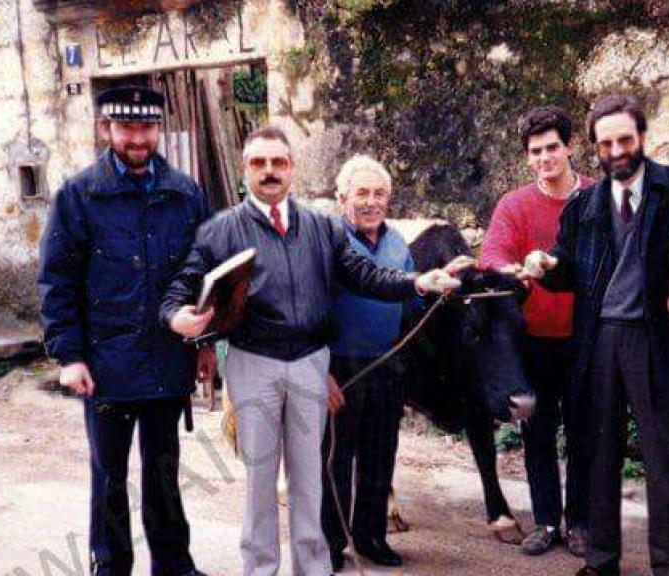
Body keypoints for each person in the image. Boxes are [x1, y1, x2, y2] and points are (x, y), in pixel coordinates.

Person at [160, 126, 460, 576]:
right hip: (254, 362)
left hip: (309, 363)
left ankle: (313, 568)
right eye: (259, 163)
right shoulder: (221, 229)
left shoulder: (321, 227)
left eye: (278, 162)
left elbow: (365, 274)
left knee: (310, 479)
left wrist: (416, 281)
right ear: (245, 170)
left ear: (292, 169)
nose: (269, 171)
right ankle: (260, 569)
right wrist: (175, 316)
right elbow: (183, 285)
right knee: (261, 481)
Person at [520, 94, 669, 576]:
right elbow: (568, 267)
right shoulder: (585, 205)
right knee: (597, 455)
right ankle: (601, 561)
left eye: (625, 139)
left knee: (664, 458)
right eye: (606, 143)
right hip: (598, 342)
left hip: (656, 341)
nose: (617, 151)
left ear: (641, 137)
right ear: (594, 148)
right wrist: (547, 265)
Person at [38, 85, 211, 576]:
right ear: (105, 129)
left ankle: (173, 566)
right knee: (110, 474)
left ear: (159, 129)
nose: (138, 138)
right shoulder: (78, 195)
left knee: (164, 470)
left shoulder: (186, 193)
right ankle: (111, 567)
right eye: (126, 127)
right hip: (105, 365)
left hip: (168, 358)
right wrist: (70, 356)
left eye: (147, 127)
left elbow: (204, 273)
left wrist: (204, 345)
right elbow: (57, 280)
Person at [480, 105, 595, 557]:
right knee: (538, 433)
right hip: (532, 341)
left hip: (586, 338)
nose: (544, 158)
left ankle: (580, 522)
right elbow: (491, 257)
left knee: (584, 433)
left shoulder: (596, 197)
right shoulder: (514, 204)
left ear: (569, 147)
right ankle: (546, 521)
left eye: (552, 148)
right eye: (535, 151)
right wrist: (512, 270)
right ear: (527, 157)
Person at [318, 154, 428, 571]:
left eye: (379, 193)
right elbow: (312, 307)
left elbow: (413, 303)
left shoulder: (398, 243)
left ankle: (371, 537)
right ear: (341, 197)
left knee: (380, 454)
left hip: (386, 363)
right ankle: (331, 543)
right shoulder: (330, 242)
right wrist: (320, 370)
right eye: (361, 193)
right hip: (340, 365)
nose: (371, 201)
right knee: (335, 458)